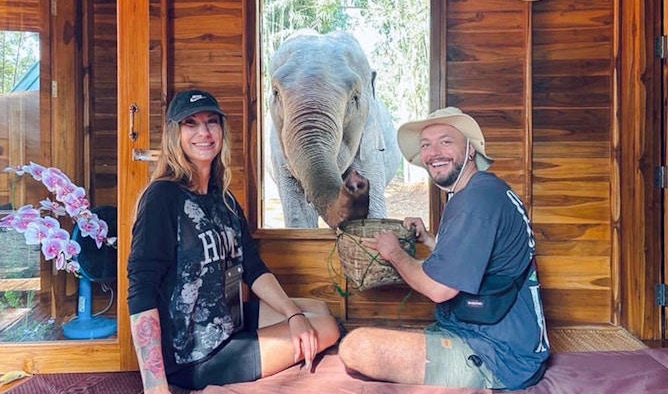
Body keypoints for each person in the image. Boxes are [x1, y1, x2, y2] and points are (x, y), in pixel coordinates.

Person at [127, 89, 340, 394]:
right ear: (175, 134)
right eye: (191, 123)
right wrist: (155, 384)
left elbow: (252, 267)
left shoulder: (224, 199)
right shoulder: (162, 197)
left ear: (222, 131)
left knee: (316, 309)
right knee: (327, 328)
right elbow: (141, 286)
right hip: (195, 355)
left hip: (229, 320)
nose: (203, 132)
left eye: (211, 122)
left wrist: (293, 315)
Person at [337, 107, 550, 390]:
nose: (433, 152)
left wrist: (393, 253)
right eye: (426, 145)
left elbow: (440, 288)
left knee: (356, 346)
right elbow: (472, 259)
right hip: (508, 341)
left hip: (497, 355)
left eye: (446, 141)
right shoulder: (484, 191)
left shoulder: (474, 202)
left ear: (471, 150)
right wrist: (428, 239)